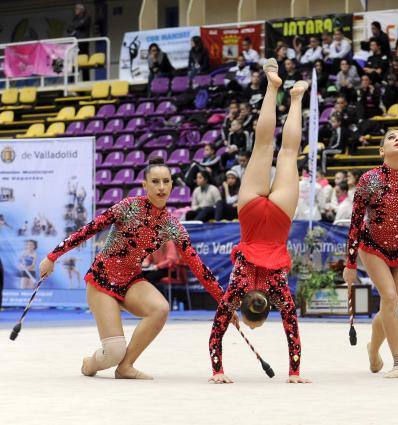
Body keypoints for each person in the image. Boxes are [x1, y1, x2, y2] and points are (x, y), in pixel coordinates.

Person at [40, 157, 225, 380]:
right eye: (155, 182)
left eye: (166, 181)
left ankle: (125, 366)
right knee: (113, 352)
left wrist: (224, 303)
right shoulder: (128, 207)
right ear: (145, 185)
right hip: (102, 279)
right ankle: (89, 364)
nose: (161, 187)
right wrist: (52, 256)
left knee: (160, 309)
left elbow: (198, 267)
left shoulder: (172, 225)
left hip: (130, 281)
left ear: (172, 185)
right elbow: (89, 229)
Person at [208, 59, 311, 384]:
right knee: (264, 146)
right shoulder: (236, 291)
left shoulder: (278, 291)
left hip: (278, 220)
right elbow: (215, 336)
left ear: (268, 308)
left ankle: (295, 97)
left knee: (288, 152)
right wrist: (217, 370)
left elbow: (292, 331)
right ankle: (271, 85)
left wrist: (295, 371)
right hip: (252, 216)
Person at [342, 129, 398, 379]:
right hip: (372, 245)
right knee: (390, 297)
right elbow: (356, 222)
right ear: (382, 150)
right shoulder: (368, 179)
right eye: (391, 137)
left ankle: (373, 350)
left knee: (389, 306)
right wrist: (350, 263)